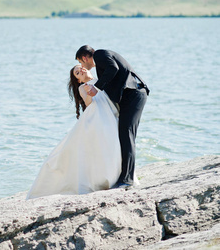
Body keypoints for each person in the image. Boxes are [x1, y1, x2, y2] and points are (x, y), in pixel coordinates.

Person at [27, 65, 122, 199]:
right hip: (95, 118)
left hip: (110, 116)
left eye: (80, 68)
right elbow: (89, 103)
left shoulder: (101, 80)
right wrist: (89, 92)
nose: (81, 71)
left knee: (112, 145)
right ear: (78, 80)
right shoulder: (82, 87)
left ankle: (113, 176)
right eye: (77, 73)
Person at [76, 45, 149, 189]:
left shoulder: (101, 54)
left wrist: (96, 88)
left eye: (81, 62)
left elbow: (113, 68)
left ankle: (127, 180)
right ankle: (124, 177)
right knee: (124, 134)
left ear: (84, 58)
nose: (82, 66)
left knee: (127, 134)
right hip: (130, 97)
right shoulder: (100, 62)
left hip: (135, 94)